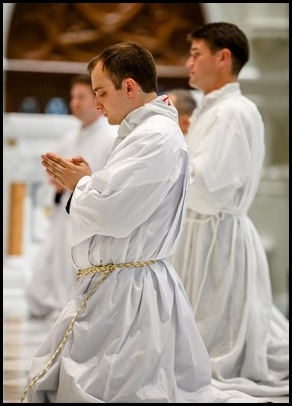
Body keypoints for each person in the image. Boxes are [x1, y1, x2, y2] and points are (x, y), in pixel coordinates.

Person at [22, 42, 271, 403]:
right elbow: (124, 194)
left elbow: (114, 212)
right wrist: (92, 180)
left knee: (121, 389)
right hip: (121, 280)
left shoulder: (155, 136)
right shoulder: (142, 132)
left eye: (101, 92)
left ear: (129, 87)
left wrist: (81, 184)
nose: (97, 104)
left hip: (130, 289)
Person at [171, 22, 289, 397]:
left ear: (223, 58)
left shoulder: (233, 112)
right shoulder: (213, 109)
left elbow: (208, 187)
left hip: (217, 237)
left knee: (215, 347)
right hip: (202, 232)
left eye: (195, 54)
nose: (188, 63)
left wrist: (165, 170)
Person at [26, 74, 118, 318]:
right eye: (72, 97)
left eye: (81, 97)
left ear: (96, 99)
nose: (75, 103)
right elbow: (55, 179)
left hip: (87, 217)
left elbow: (109, 181)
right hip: (64, 214)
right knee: (49, 271)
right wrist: (55, 183)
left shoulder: (110, 137)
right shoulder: (71, 137)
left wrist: (71, 183)